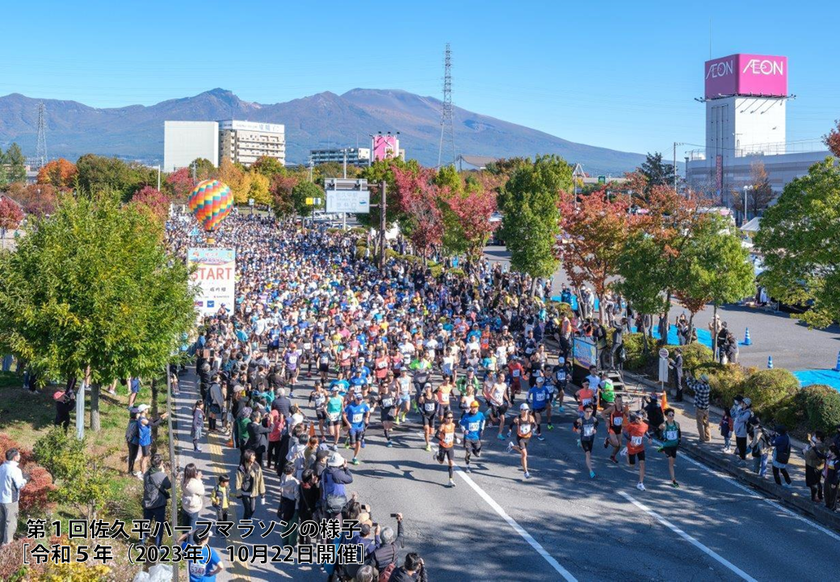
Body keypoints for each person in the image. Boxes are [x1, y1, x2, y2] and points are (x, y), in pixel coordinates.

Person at [141, 453, 171, 547]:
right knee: (159, 526)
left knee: (146, 524)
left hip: (147, 503)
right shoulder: (161, 476)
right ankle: (157, 546)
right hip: (158, 504)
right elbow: (168, 485)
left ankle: (142, 542)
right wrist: (163, 472)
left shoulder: (147, 473)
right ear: (161, 463)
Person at [0, 448, 27, 547]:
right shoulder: (15, 470)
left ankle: (2, 540)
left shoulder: (2, 467)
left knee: (2, 520)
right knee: (10, 522)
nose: (20, 456)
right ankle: (7, 544)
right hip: (11, 500)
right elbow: (19, 485)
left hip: (1, 499)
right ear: (15, 457)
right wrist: (25, 480)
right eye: (19, 455)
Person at [506, 403, 536, 479]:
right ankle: (526, 472)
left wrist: (533, 430)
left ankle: (512, 446)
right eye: (524, 410)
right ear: (521, 410)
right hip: (520, 438)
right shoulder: (517, 419)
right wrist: (509, 431)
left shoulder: (531, 417)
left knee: (521, 450)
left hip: (527, 438)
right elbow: (510, 425)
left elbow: (535, 425)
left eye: (527, 410)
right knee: (524, 454)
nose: (526, 411)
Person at [236, 449, 265, 520]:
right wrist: (239, 492)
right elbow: (238, 481)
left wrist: (262, 493)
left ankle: (246, 520)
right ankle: (246, 526)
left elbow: (261, 480)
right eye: (253, 456)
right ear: (248, 457)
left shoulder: (257, 467)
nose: (254, 457)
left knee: (252, 509)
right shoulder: (241, 468)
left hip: (253, 492)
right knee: (247, 509)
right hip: (244, 492)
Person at [623, 413, 650, 491]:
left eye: (638, 418)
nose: (637, 419)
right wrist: (630, 440)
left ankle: (640, 483)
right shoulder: (631, 425)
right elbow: (624, 433)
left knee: (642, 464)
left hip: (640, 448)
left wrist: (649, 437)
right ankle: (626, 453)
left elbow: (645, 432)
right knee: (632, 466)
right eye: (636, 418)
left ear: (642, 419)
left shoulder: (645, 425)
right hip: (632, 448)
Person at [343, 392, 371, 465]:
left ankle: (355, 458)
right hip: (352, 427)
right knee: (353, 445)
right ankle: (349, 440)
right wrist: (348, 423)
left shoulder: (363, 405)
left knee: (358, 443)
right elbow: (344, 415)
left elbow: (367, 410)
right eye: (358, 399)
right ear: (355, 399)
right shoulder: (350, 406)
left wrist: (366, 417)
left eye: (361, 399)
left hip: (360, 427)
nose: (359, 401)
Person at [459, 400, 485, 473]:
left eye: (476, 407)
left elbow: (484, 421)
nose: (474, 409)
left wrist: (482, 429)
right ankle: (467, 466)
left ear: (478, 408)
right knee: (468, 452)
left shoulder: (480, 414)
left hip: (476, 437)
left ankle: (475, 451)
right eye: (473, 407)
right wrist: (464, 430)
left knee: (478, 454)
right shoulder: (466, 416)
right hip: (468, 437)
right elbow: (461, 424)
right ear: (470, 408)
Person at [658, 408, 681, 487]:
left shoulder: (677, 424)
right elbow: (657, 431)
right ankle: (674, 480)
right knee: (670, 461)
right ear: (666, 416)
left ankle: (662, 450)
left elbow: (679, 433)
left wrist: (679, 441)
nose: (671, 417)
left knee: (672, 462)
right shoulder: (664, 425)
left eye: (673, 415)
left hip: (674, 445)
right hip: (667, 445)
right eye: (670, 415)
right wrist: (662, 438)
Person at [573, 404, 598, 479]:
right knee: (588, 454)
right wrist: (577, 429)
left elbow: (597, 423)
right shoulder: (581, 419)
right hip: (584, 439)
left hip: (591, 439)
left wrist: (595, 429)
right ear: (584, 412)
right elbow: (574, 423)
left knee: (588, 452)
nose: (588, 413)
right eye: (587, 411)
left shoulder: (593, 419)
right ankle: (591, 471)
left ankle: (579, 443)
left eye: (590, 411)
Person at [435, 411, 457, 487]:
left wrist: (456, 438)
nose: (450, 419)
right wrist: (443, 440)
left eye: (451, 418)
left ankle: (450, 480)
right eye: (448, 418)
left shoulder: (453, 425)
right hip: (443, 446)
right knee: (441, 462)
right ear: (445, 418)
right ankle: (437, 456)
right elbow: (436, 435)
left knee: (451, 463)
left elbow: (453, 433)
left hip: (450, 446)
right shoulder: (442, 426)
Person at [687, 373, 711, 442]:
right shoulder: (707, 386)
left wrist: (688, 379)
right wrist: (691, 377)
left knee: (699, 424)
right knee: (706, 423)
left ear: (703, 381)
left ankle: (702, 438)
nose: (699, 379)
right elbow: (697, 382)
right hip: (706, 409)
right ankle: (707, 437)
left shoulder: (700, 387)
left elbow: (691, 387)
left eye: (700, 378)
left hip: (700, 408)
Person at [602, 395, 626, 464]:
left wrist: (627, 410)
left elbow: (627, 415)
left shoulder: (623, 408)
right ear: (615, 401)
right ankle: (608, 440)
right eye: (618, 401)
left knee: (619, 445)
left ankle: (612, 456)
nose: (619, 402)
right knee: (616, 443)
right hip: (612, 428)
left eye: (620, 401)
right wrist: (607, 421)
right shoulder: (612, 408)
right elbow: (603, 413)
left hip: (619, 428)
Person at [181, 463, 205, 529]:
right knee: (192, 529)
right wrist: (199, 479)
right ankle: (190, 539)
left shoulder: (183, 480)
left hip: (185, 505)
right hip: (193, 508)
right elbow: (202, 492)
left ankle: (184, 539)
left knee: (185, 527)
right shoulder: (194, 484)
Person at [804, 432, 826, 503]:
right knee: (817, 481)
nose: (813, 437)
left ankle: (814, 497)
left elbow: (812, 456)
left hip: (813, 466)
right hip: (816, 466)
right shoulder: (820, 445)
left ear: (818, 438)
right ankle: (819, 496)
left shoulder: (819, 446)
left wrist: (805, 451)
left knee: (813, 482)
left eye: (815, 436)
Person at [732, 397, 753, 464]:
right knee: (738, 444)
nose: (742, 404)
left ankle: (743, 459)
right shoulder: (741, 410)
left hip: (743, 431)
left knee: (742, 446)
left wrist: (738, 415)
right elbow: (735, 415)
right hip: (738, 430)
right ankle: (740, 458)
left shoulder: (748, 412)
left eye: (743, 403)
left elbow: (741, 419)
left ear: (746, 404)